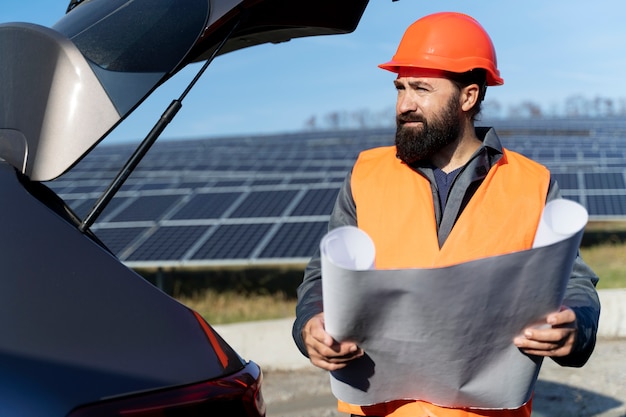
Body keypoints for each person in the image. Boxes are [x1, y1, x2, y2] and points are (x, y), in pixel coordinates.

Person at [292, 11, 600, 417]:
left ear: (468, 96)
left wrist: (575, 326)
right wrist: (311, 324)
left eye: (421, 88)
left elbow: (574, 281)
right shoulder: (366, 174)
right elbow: (322, 277)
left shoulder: (532, 183)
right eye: (400, 88)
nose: (404, 104)